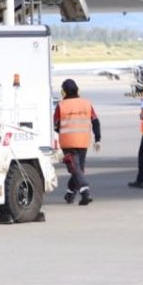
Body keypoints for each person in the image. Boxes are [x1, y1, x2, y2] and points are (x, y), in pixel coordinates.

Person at [54, 78, 100, 206]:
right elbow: (95, 121)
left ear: (64, 92)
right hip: (83, 141)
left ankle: (85, 193)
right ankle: (70, 194)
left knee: (75, 169)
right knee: (78, 169)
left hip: (68, 143)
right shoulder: (86, 103)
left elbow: (56, 126)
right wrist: (98, 139)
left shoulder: (61, 106)